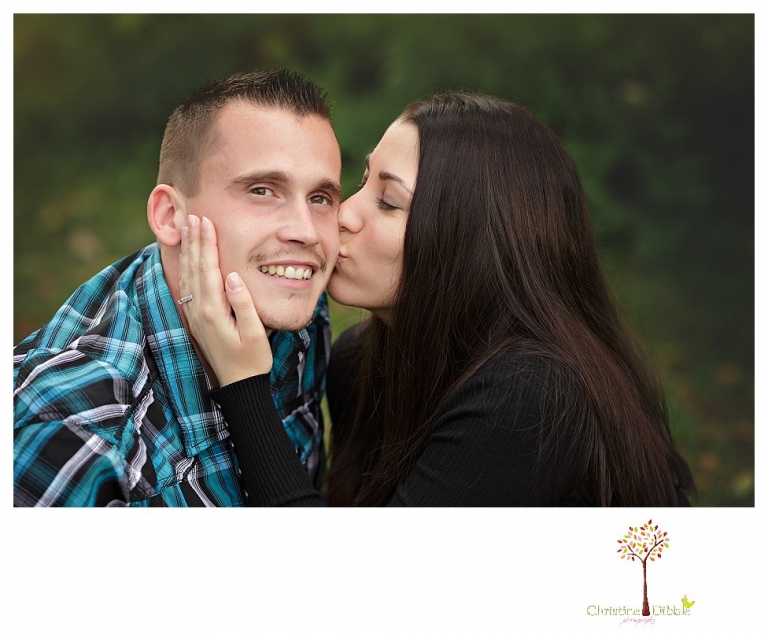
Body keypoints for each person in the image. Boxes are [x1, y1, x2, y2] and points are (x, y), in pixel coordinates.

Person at [181, 91, 696, 506]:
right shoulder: (360, 358)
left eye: (388, 201)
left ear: (468, 242)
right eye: (361, 183)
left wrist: (244, 385)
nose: (343, 215)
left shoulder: (530, 396)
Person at [13, 69, 343, 506]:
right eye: (263, 190)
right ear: (170, 216)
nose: (307, 232)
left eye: (320, 198)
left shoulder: (298, 315)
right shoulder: (74, 434)